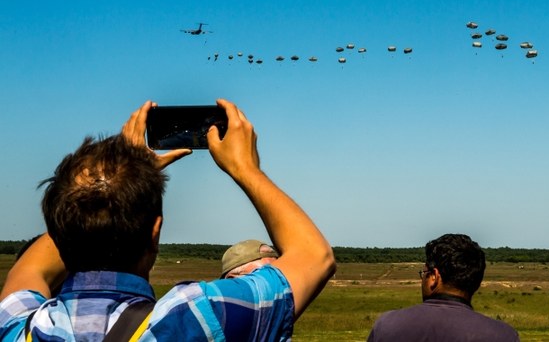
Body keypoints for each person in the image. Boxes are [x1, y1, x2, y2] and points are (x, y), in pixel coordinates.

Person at [0, 99, 336, 341]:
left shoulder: (18, 326)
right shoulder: (195, 318)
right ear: (155, 232)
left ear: (59, 235)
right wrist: (246, 169)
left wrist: (122, 181)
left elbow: (30, 269)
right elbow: (314, 257)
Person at [367, 233, 519, 342]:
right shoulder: (503, 335)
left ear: (434, 277)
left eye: (424, 273)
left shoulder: (387, 325)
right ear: (477, 282)